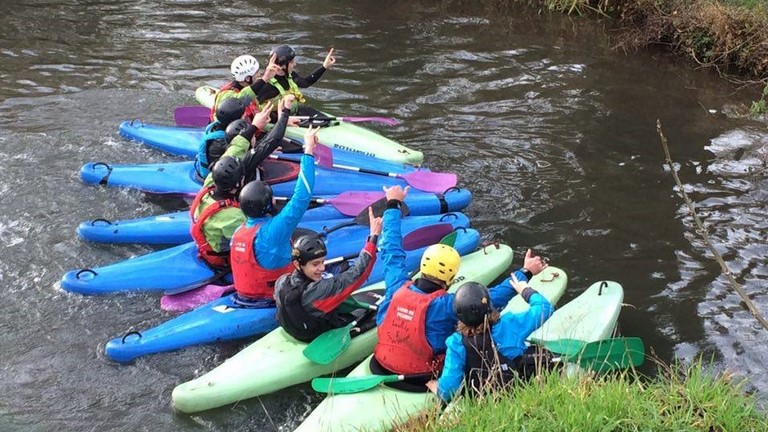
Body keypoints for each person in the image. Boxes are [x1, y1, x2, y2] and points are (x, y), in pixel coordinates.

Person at [371, 185, 549, 387]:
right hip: (423, 377)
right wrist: (525, 273)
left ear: (423, 266)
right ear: (451, 277)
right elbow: (495, 297)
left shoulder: (396, 285)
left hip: (380, 365)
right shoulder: (449, 305)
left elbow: (391, 249)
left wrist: (393, 204)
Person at [189, 96, 294, 269]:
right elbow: (259, 240)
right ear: (238, 184)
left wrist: (254, 127)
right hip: (224, 260)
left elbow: (235, 148)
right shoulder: (234, 217)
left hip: (209, 234)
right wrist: (274, 214)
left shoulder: (210, 182)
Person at [229, 122, 320, 304]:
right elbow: (302, 196)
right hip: (272, 300)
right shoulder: (274, 231)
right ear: (267, 206)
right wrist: (308, 151)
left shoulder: (238, 233)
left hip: (243, 297)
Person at [425, 279, 554, 402]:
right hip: (518, 391)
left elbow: (448, 389)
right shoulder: (509, 325)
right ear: (489, 307)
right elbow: (545, 308)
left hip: (482, 399)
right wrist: (524, 290)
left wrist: (439, 388)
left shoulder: (455, 343)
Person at [274, 209, 382, 342]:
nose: (322, 268)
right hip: (314, 335)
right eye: (315, 264)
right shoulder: (317, 291)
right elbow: (357, 274)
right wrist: (373, 237)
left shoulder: (282, 281)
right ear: (297, 264)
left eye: (323, 261)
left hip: (294, 329)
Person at [256, 45, 336, 117]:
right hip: (278, 119)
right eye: (292, 62)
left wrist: (324, 66)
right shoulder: (267, 85)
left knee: (324, 119)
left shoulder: (290, 76)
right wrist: (281, 120)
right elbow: (256, 109)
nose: (295, 64)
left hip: (294, 113)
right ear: (283, 66)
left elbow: (306, 83)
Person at [209, 54, 282, 121]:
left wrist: (279, 119)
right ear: (247, 78)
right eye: (256, 73)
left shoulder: (248, 90)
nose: (259, 74)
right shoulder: (227, 95)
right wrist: (265, 78)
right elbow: (241, 100)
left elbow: (257, 110)